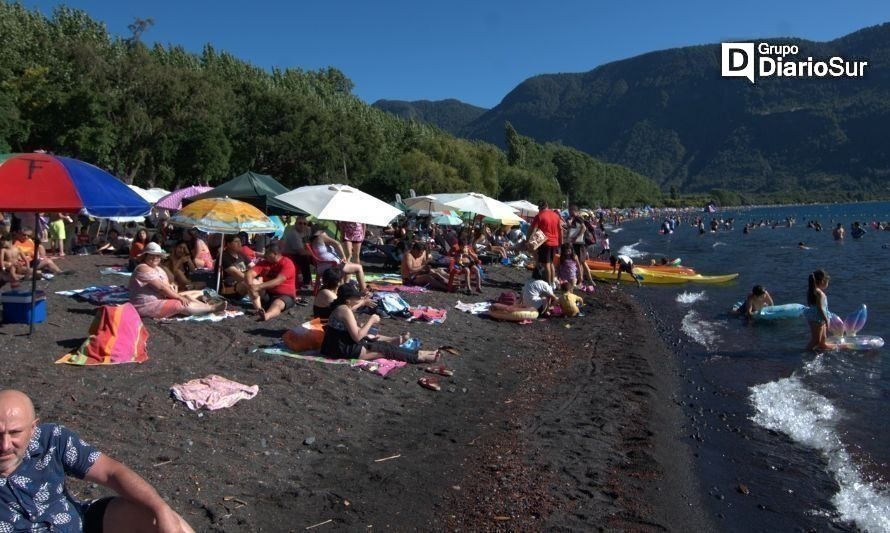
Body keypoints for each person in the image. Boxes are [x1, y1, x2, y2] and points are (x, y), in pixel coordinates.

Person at [0, 389, 194, 533]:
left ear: (33, 428)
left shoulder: (51, 439)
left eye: (15, 432)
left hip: (79, 523)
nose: (5, 445)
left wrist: (161, 509)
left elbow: (111, 472)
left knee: (163, 519)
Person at [320, 284, 439, 362]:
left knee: (384, 346)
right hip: (342, 350)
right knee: (386, 350)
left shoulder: (341, 307)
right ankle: (421, 357)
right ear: (348, 300)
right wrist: (371, 321)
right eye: (356, 297)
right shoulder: (345, 311)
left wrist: (363, 301)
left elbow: (354, 307)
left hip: (334, 347)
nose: (358, 299)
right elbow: (357, 337)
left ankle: (420, 353)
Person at [129, 243, 225, 319]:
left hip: (162, 296)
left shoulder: (158, 269)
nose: (155, 258)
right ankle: (212, 308)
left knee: (193, 293)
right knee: (180, 304)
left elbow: (168, 283)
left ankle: (204, 304)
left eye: (158, 256)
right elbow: (162, 287)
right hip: (147, 304)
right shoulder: (142, 268)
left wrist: (172, 287)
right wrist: (178, 296)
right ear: (145, 256)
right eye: (152, 255)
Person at [245, 244, 298, 321]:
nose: (265, 255)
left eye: (267, 253)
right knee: (252, 282)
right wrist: (250, 286)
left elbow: (278, 281)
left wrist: (258, 287)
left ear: (275, 254)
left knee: (277, 304)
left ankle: (267, 315)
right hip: (268, 294)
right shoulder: (264, 262)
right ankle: (259, 309)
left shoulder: (287, 263)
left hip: (285, 295)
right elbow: (250, 273)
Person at [528, 200, 562, 287]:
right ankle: (552, 282)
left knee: (546, 264)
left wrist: (528, 240)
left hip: (545, 241)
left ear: (540, 208)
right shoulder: (556, 215)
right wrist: (561, 242)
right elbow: (560, 229)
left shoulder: (539, 215)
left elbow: (533, 229)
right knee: (550, 263)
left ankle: (548, 284)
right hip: (555, 241)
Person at [280, 216, 313, 290]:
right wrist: (314, 254)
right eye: (300, 223)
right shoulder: (294, 234)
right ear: (295, 224)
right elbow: (301, 252)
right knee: (304, 259)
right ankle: (306, 283)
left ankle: (309, 281)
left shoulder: (307, 230)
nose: (302, 225)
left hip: (297, 253)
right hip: (289, 255)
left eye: (305, 224)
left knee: (311, 259)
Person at [803, 269, 832, 351]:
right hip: (817, 317)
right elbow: (820, 308)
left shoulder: (814, 291)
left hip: (819, 316)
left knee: (823, 339)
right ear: (823, 281)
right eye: (827, 282)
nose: (827, 284)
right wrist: (826, 319)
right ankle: (805, 352)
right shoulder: (818, 292)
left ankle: (823, 346)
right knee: (816, 340)